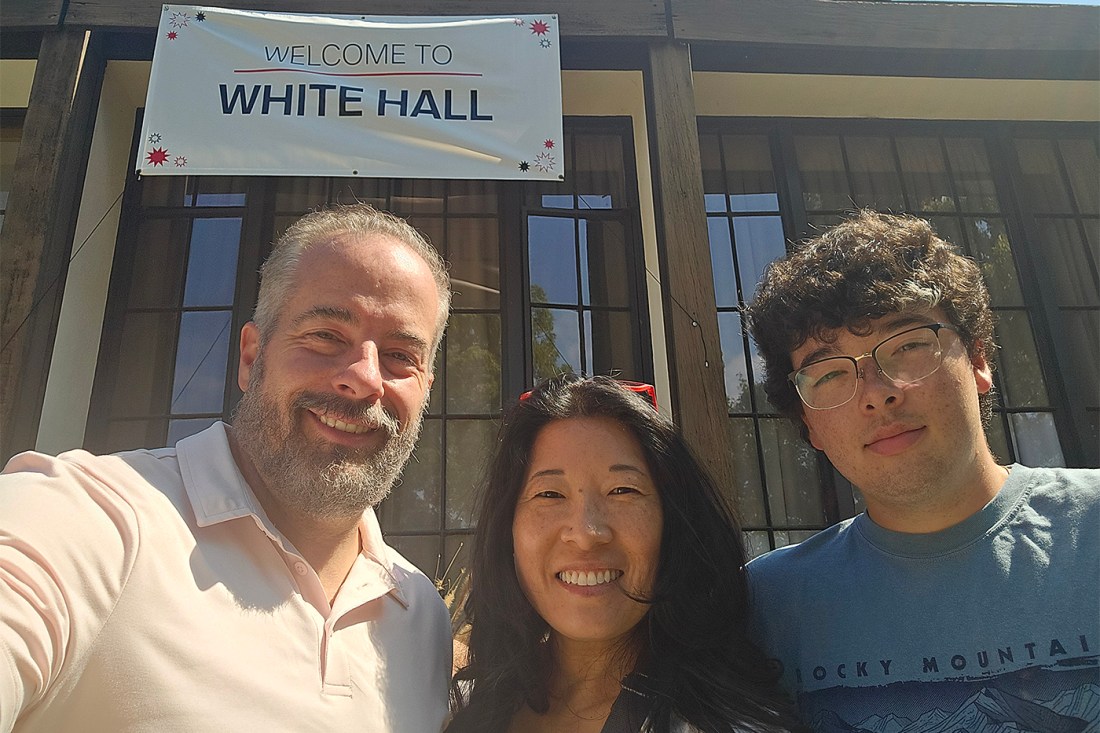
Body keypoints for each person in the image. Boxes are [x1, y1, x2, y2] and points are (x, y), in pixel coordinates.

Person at [0, 204, 454, 731]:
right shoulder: (92, 518)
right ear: (250, 356)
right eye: (326, 336)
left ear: (425, 389)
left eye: (401, 355)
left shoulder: (422, 615)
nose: (364, 379)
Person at [743, 210, 1099, 725]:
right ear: (810, 427)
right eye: (827, 374)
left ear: (978, 360)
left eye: (908, 345)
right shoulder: (768, 608)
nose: (877, 394)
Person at [447, 375, 804, 733]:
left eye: (622, 491)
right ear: (506, 529)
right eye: (550, 494)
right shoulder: (458, 707)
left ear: (673, 521)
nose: (586, 534)